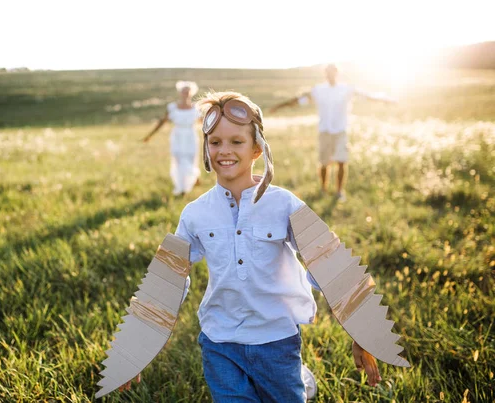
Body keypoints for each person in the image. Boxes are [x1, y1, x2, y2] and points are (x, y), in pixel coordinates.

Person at [122, 91, 381, 401]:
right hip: (219, 343)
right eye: (215, 142)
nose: (224, 151)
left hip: (276, 342)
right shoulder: (194, 214)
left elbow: (329, 265)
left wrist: (362, 331)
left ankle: (299, 379)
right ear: (205, 149)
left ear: (257, 148)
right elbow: (168, 280)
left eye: (236, 141)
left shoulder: (283, 203)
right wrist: (137, 345)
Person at [268, 64, 396, 202]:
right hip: (325, 131)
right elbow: (299, 100)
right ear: (325, 74)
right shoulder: (319, 90)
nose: (330, 75)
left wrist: (385, 100)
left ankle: (339, 191)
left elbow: (367, 96)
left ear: (337, 73)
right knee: (324, 163)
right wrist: (279, 106)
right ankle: (323, 189)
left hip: (341, 131)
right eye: (328, 73)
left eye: (333, 72)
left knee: (342, 161)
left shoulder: (346, 89)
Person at [143, 80, 201, 196]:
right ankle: (180, 187)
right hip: (177, 137)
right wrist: (150, 135)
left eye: (187, 91)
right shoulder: (172, 108)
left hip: (190, 136)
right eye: (183, 91)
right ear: (180, 92)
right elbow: (162, 122)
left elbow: (204, 123)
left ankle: (190, 183)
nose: (185, 93)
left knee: (190, 160)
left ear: (191, 93)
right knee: (178, 161)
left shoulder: (196, 108)